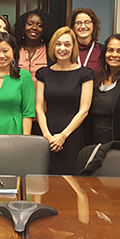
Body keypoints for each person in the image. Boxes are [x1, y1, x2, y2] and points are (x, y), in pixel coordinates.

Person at [36, 27, 94, 175]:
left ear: (73, 47)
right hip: (47, 134)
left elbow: (84, 110)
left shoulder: (85, 74)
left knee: (73, 182)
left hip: (73, 135)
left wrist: (63, 136)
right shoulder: (43, 73)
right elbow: (39, 108)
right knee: (46, 181)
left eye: (67, 44)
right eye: (58, 44)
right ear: (53, 46)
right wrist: (48, 137)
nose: (62, 48)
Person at [15, 8, 54, 85]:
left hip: (42, 96)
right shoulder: (15, 49)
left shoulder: (50, 51)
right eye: (30, 24)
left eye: (39, 25)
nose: (34, 28)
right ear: (23, 26)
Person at [69, 8, 103, 73]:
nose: (83, 26)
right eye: (79, 23)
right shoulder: (68, 50)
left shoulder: (102, 51)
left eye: (87, 22)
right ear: (73, 27)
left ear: (94, 25)